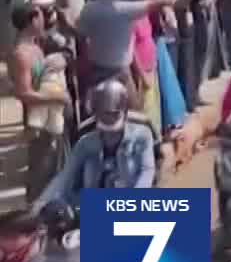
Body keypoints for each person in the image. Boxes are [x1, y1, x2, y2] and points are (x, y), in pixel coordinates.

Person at [33, 81, 155, 210]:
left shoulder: (142, 135)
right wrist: (41, 204)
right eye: (104, 115)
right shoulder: (85, 142)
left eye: (114, 115)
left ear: (124, 112)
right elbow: (65, 176)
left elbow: (147, 171)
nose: (109, 122)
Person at [10, 0, 68, 203]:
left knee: (55, 169)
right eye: (40, 16)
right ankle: (35, 219)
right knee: (41, 172)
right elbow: (23, 92)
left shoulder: (36, 45)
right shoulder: (21, 54)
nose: (45, 19)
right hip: (38, 124)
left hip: (51, 118)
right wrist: (56, 97)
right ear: (32, 21)